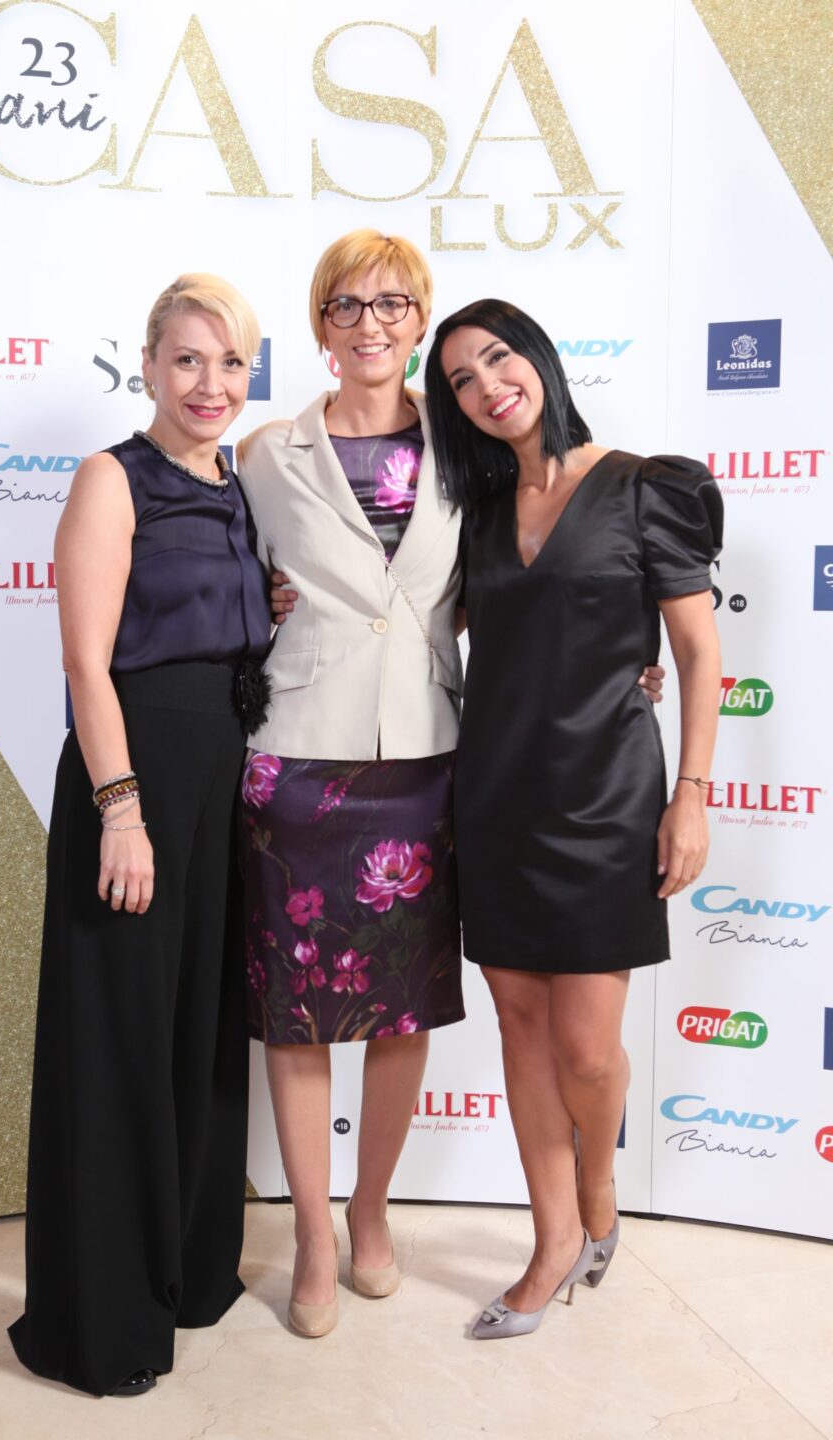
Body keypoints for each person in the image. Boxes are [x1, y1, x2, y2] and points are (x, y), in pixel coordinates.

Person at [424, 299, 722, 1339]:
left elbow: (697, 655)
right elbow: (420, 618)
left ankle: (599, 1189)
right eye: (461, 380)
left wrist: (691, 796)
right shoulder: (475, 511)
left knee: (588, 1052)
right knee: (519, 1023)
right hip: (495, 795)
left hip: (607, 800)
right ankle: (553, 1239)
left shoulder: (644, 487)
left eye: (498, 358)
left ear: (540, 359)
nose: (486, 386)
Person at [9, 275, 271, 1396]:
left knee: (203, 1029)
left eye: (230, 362)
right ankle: (101, 1322)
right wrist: (121, 808)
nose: (210, 384)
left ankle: (188, 1275)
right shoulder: (111, 478)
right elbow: (87, 661)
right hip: (137, 777)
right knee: (119, 1038)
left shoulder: (239, 482)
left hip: (224, 779)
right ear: (150, 365)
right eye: (188, 360)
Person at [235, 231, 466, 1338]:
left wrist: (629, 660)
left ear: (420, 318)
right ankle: (314, 1237)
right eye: (346, 304)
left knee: (398, 1010)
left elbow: (523, 573)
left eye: (391, 303)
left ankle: (372, 1211)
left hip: (421, 757)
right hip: (297, 757)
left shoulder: (470, 446)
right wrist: (264, 603)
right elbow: (218, 579)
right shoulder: (261, 453)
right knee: (297, 1015)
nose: (369, 323)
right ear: (319, 323)